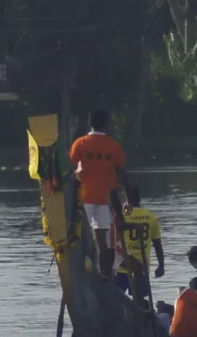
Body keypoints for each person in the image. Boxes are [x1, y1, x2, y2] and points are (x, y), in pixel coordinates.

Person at [68, 110, 129, 271]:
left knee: (81, 237)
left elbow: (69, 169)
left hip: (84, 198)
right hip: (103, 199)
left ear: (90, 123)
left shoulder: (80, 143)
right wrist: (128, 199)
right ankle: (104, 274)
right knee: (103, 240)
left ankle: (83, 269)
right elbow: (122, 174)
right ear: (106, 124)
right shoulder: (113, 145)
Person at [117, 183, 165, 296]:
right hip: (143, 266)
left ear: (126, 199)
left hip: (122, 266)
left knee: (116, 300)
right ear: (139, 198)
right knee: (140, 301)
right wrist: (161, 265)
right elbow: (157, 244)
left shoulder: (122, 216)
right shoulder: (151, 217)